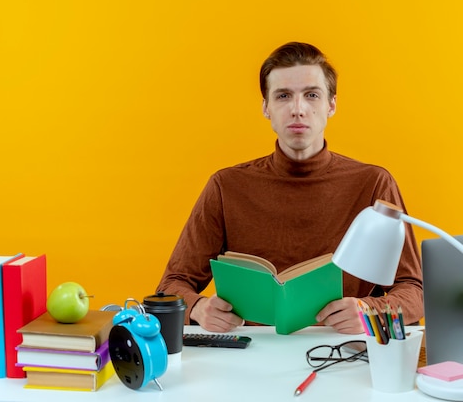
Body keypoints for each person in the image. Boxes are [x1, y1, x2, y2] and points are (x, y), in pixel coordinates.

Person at [156, 42, 423, 334]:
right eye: (283, 96)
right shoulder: (226, 186)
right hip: (251, 352)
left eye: (312, 95)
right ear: (266, 108)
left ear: (331, 105)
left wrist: (369, 310)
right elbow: (171, 285)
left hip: (343, 349)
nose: (298, 109)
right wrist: (198, 307)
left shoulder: (374, 183)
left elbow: (413, 290)